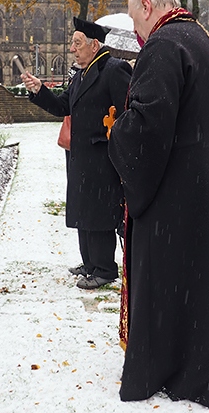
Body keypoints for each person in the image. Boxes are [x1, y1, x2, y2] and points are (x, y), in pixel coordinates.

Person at [108, 0, 209, 408]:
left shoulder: (163, 45)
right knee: (207, 270)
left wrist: (117, 133)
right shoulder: (204, 38)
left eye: (136, 19)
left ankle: (178, 365)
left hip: (179, 182)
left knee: (174, 273)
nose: (137, 32)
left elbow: (150, 126)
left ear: (148, 7)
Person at [21, 17, 132, 289]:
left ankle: (105, 268)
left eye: (77, 43)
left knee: (100, 213)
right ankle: (91, 263)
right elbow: (63, 107)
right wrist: (39, 90)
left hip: (103, 157)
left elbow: (129, 112)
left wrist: (113, 137)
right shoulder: (81, 73)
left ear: (94, 45)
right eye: (72, 43)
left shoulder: (113, 69)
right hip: (81, 156)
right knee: (85, 211)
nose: (72, 48)